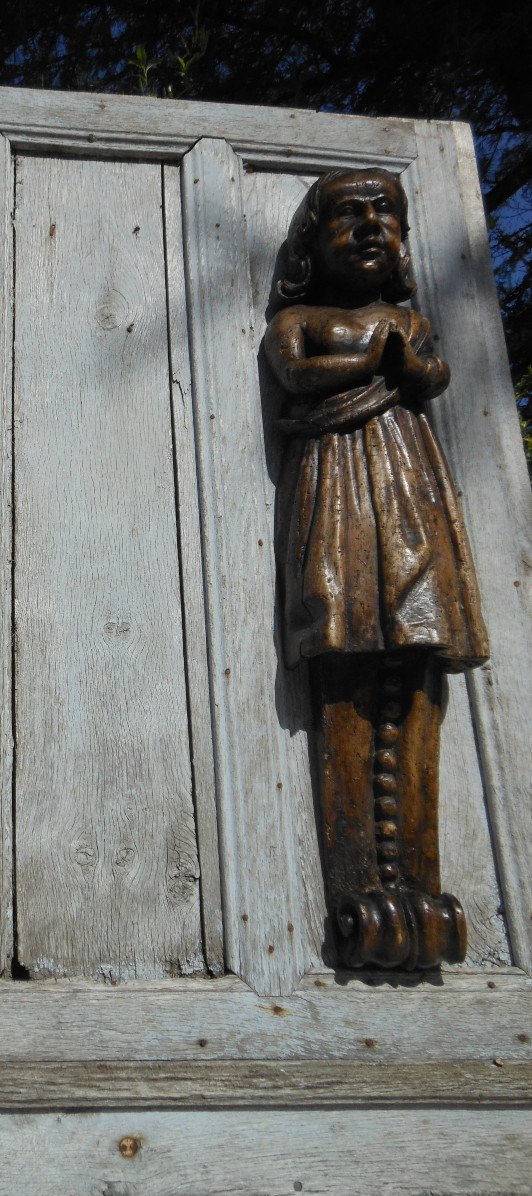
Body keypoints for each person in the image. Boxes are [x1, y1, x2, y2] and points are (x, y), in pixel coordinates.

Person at [264, 168, 488, 970]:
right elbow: (295, 373)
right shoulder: (302, 319)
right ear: (308, 244)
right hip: (337, 485)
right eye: (348, 215)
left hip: (407, 479)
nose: (368, 226)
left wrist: (406, 355)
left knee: (417, 654)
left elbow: (432, 374)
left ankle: (416, 874)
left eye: (384, 212)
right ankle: (364, 874)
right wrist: (377, 360)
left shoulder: (409, 317)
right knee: (350, 649)